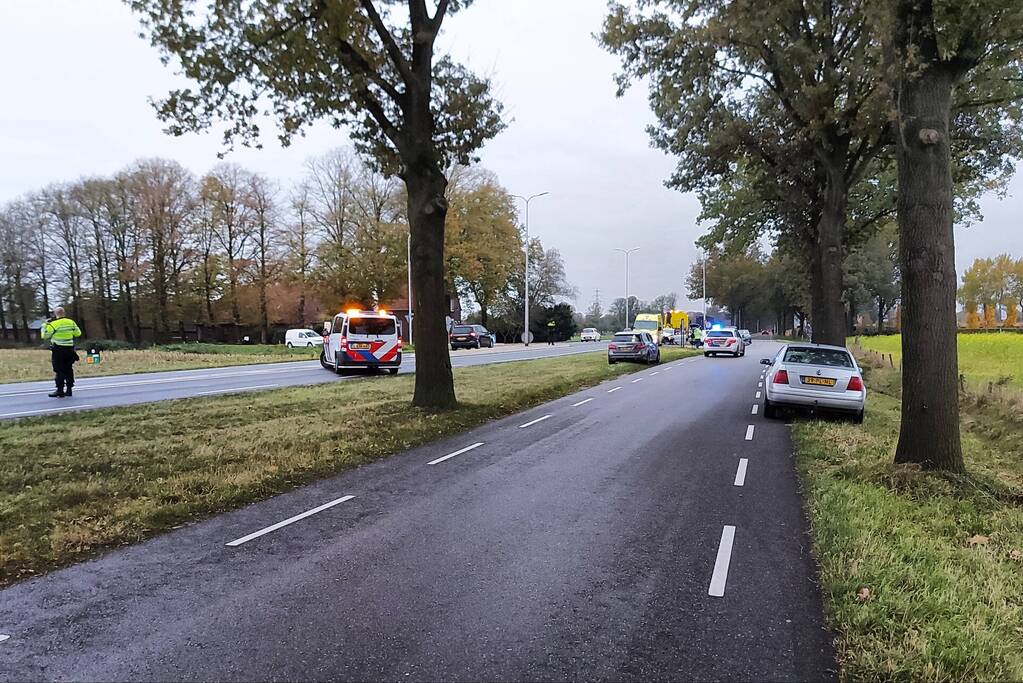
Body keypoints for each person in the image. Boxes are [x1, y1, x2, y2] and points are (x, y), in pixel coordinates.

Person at [41, 306, 82, 398]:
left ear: (56, 314)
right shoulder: (71, 322)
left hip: (58, 350)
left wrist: (44, 326)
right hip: (70, 350)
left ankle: (60, 390)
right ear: (64, 313)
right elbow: (78, 333)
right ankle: (69, 389)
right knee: (68, 369)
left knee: (59, 370)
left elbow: (45, 336)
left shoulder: (54, 324)